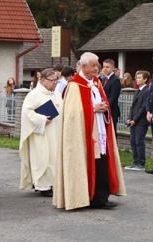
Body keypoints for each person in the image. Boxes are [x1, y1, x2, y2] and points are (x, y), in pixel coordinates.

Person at [53, 52, 126, 210]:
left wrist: (104, 108)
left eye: (97, 66)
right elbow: (72, 114)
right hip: (84, 134)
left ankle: (101, 197)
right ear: (84, 66)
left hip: (99, 128)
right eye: (93, 66)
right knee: (86, 163)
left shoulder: (97, 83)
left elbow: (104, 101)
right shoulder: (74, 85)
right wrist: (93, 108)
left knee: (102, 164)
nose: (96, 68)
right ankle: (84, 197)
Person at [19, 69, 63, 197]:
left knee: (54, 157)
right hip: (41, 133)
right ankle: (42, 185)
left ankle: (53, 183)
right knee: (43, 157)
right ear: (43, 80)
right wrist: (42, 119)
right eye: (52, 80)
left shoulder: (57, 94)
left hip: (56, 131)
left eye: (56, 80)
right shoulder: (34, 94)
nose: (55, 83)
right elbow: (27, 113)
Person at [125, 70, 150, 171]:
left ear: (145, 79)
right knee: (133, 141)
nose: (137, 79)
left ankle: (141, 163)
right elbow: (133, 107)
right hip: (133, 120)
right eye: (136, 77)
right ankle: (135, 162)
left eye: (139, 77)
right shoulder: (137, 91)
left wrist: (135, 119)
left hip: (141, 121)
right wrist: (129, 118)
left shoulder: (146, 91)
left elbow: (143, 108)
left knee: (139, 141)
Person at [100, 59, 122, 135]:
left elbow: (113, 97)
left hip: (111, 111)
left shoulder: (115, 80)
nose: (105, 69)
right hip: (103, 110)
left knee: (111, 133)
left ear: (113, 68)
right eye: (104, 67)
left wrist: (105, 107)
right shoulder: (104, 79)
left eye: (107, 67)